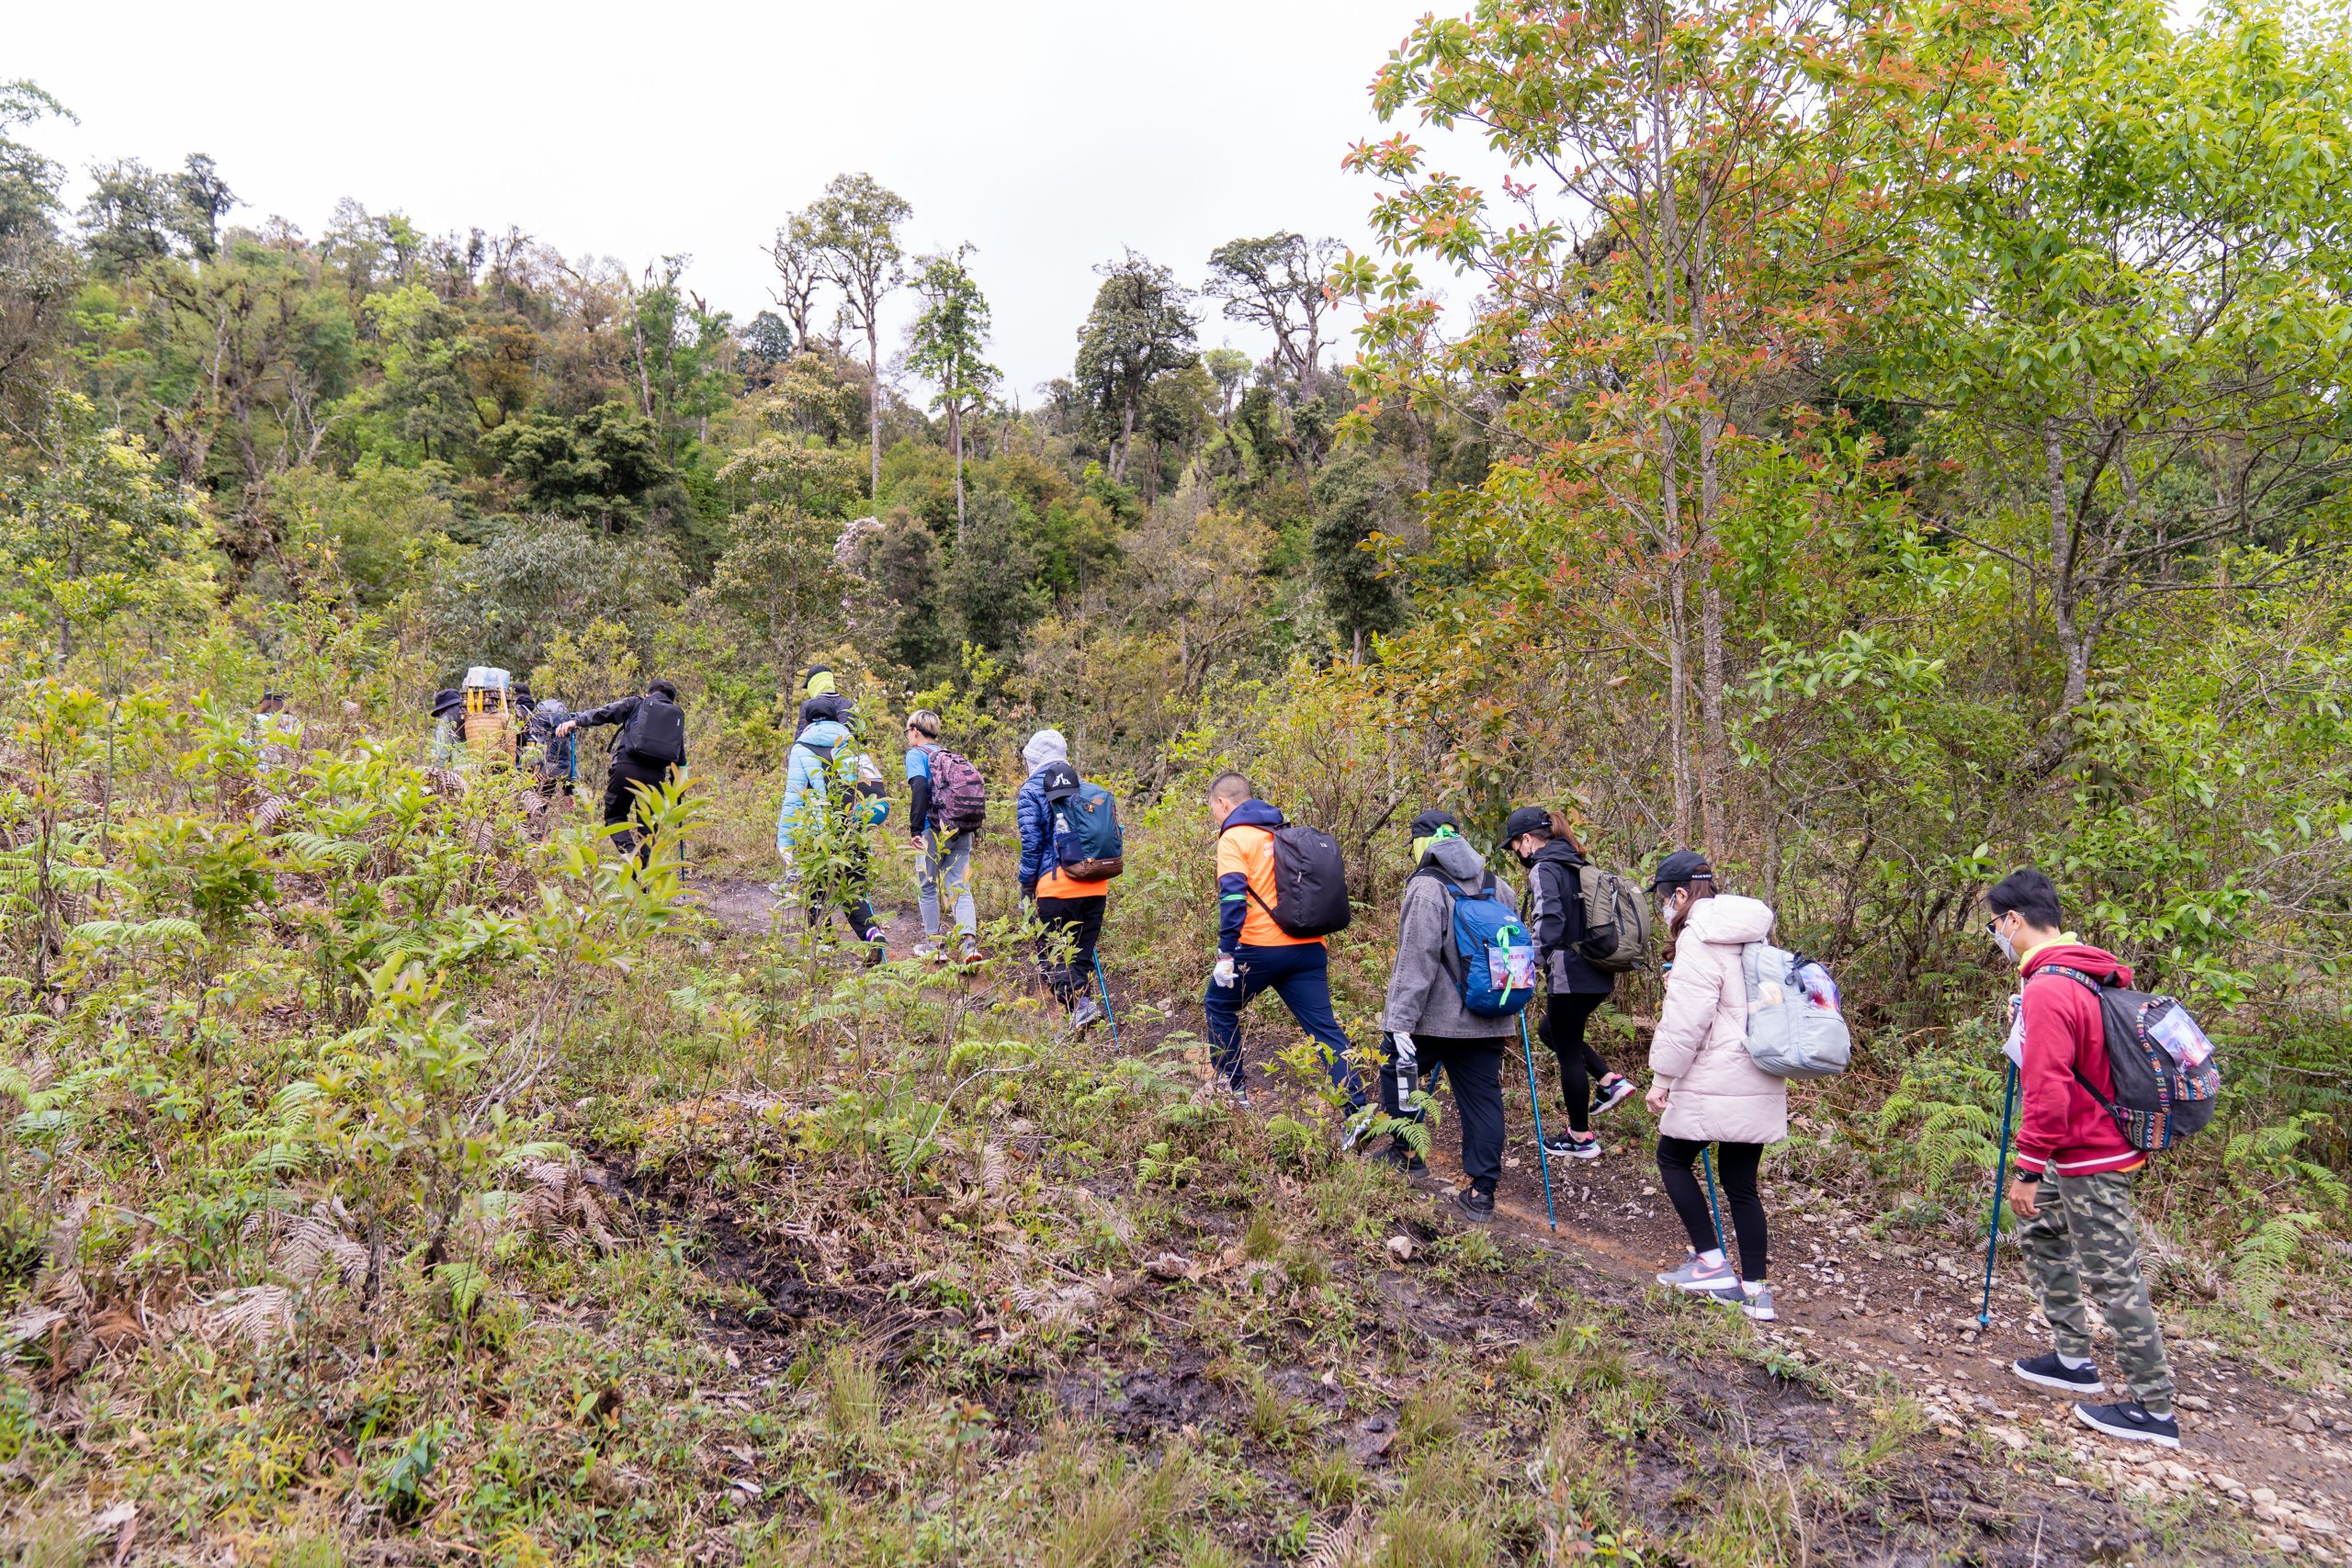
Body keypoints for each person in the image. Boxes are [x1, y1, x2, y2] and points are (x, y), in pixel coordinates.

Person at [1986, 868, 2180, 1447]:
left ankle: (2154, 1409)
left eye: (1996, 924)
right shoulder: (2084, 974)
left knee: (2113, 1271)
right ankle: (2074, 1358)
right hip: (2082, 1145)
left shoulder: (2049, 987)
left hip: (2089, 1152)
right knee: (2043, 1232)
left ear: (2014, 920)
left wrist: (2025, 1168)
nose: (1997, 934)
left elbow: (2049, 1089)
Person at [1645, 850, 1781, 1322]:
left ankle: (1710, 1263)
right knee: (1742, 1184)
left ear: (1680, 894)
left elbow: (1687, 1020)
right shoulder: (1752, 929)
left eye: (1664, 898)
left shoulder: (1699, 936)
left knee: (1672, 1157)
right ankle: (1757, 1292)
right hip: (1761, 1068)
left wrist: (1662, 1078)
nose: (1664, 908)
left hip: (1714, 1073)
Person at [1376, 812, 1514, 1223]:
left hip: (1433, 1020)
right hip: (1490, 1016)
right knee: (1483, 1099)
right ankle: (1483, 1193)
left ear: (1424, 845)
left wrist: (1398, 1022)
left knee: (1395, 1068)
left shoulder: (1426, 887)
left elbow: (1415, 960)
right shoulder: (1499, 886)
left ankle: (1406, 1152)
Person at [1203, 771, 1366, 1113]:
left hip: (1259, 949)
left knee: (1219, 1004)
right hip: (1308, 947)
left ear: (1223, 803)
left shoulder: (1234, 838)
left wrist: (1225, 954)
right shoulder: (1284, 832)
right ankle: (1358, 1110)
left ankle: (1235, 1094)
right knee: (1324, 1029)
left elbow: (1233, 899)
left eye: (1213, 810)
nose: (1215, 817)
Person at [1502, 805, 1634, 1162]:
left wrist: (1529, 963)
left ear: (1528, 839)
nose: (1518, 854)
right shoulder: (1579, 863)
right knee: (1554, 1032)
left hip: (1570, 974)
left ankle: (1580, 1137)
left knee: (1568, 1049)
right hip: (1597, 969)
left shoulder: (1545, 867)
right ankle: (1609, 1081)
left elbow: (1550, 921)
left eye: (1515, 846)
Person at [777, 708, 887, 965]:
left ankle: (824, 953)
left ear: (806, 721)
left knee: (816, 892)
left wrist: (785, 844)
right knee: (854, 891)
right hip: (851, 827)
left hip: (818, 833)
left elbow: (793, 799)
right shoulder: (850, 743)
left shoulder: (801, 747)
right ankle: (873, 936)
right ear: (836, 720)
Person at [1015, 729, 1105, 1027]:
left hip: (1056, 887)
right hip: (1095, 885)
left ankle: (1079, 1007)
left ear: (1033, 758)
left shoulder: (1031, 790)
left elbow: (1032, 844)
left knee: (1052, 956)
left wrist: (1026, 887)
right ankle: (1082, 1025)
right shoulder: (1082, 786)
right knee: (1079, 958)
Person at [558, 678, 689, 864]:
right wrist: (678, 792)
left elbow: (605, 713)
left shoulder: (637, 702)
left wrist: (575, 721)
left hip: (625, 769)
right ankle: (645, 875)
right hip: (655, 777)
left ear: (648, 693)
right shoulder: (675, 718)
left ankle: (631, 856)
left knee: (615, 817)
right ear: (672, 700)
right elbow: (680, 760)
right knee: (649, 827)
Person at [905, 709, 979, 964]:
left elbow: (919, 787)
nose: (908, 737)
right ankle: (969, 946)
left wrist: (916, 829)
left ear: (915, 731)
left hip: (931, 829)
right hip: (960, 828)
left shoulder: (916, 754)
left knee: (927, 887)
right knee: (959, 887)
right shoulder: (949, 756)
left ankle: (935, 946)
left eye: (908, 732)